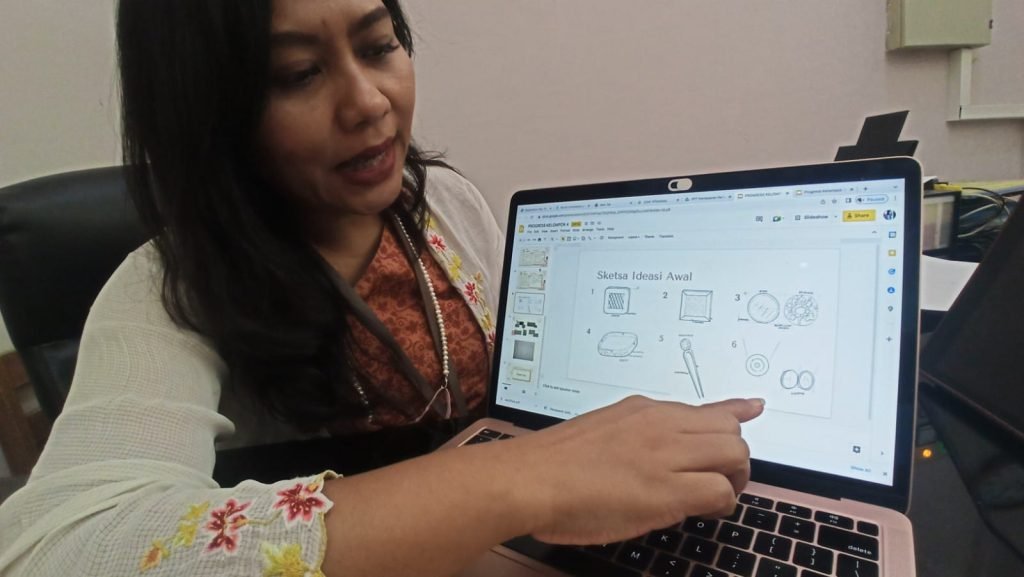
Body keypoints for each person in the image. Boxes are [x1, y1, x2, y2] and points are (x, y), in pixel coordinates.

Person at [0, 1, 765, 575]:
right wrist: (522, 479)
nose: (369, 102)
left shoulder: (447, 205)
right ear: (208, 109)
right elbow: (58, 549)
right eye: (298, 74)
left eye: (378, 46)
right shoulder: (166, 291)